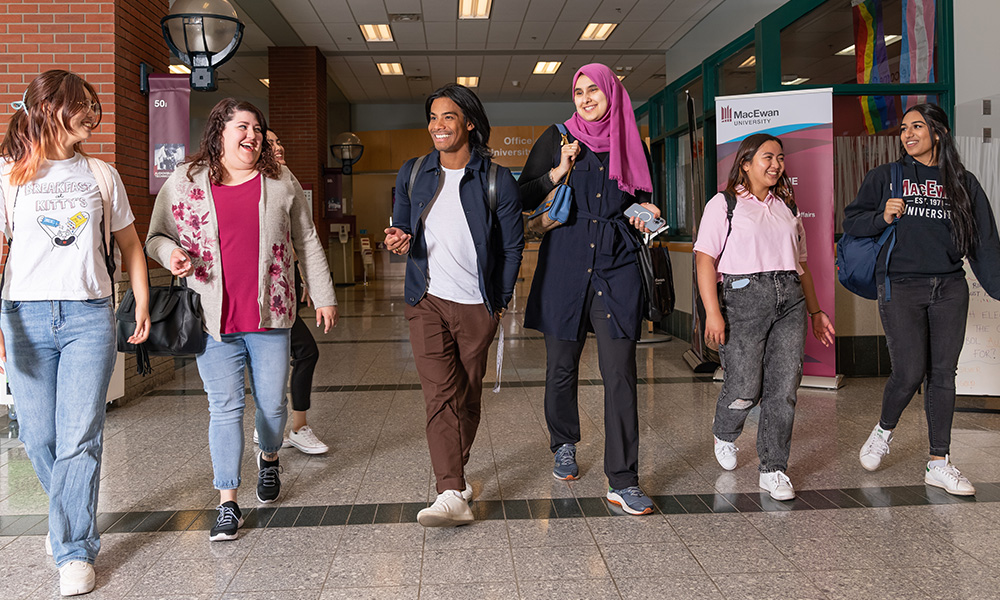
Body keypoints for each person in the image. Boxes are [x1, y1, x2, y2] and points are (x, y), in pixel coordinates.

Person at [146, 99, 338, 541]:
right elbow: (156, 235)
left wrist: (323, 294)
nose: (252, 134)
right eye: (243, 126)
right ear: (219, 133)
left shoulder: (279, 180)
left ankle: (269, 458)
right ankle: (227, 502)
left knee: (272, 405)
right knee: (225, 407)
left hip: (271, 314)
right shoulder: (185, 181)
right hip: (212, 319)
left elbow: (306, 239)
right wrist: (169, 253)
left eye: (257, 127)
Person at [0, 69, 150, 596]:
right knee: (38, 435)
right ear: (46, 108)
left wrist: (142, 300)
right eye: (79, 104)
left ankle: (74, 549)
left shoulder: (101, 175)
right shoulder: (8, 175)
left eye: (93, 104)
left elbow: (130, 245)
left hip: (88, 316)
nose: (91, 113)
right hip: (23, 315)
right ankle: (63, 514)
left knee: (80, 435)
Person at [519, 63, 659, 515]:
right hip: (565, 261)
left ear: (612, 93)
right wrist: (558, 173)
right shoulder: (559, 137)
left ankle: (623, 478)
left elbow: (642, 197)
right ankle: (564, 441)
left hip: (616, 264)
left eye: (593, 90)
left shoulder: (631, 140)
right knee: (562, 366)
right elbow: (521, 197)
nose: (584, 98)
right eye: (578, 91)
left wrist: (646, 209)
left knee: (620, 372)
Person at [384, 84, 523, 527]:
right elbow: (400, 230)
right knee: (439, 396)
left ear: (469, 123)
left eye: (448, 117)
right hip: (425, 299)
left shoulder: (497, 180)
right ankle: (449, 491)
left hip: (476, 305)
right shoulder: (413, 172)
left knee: (467, 395)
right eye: (432, 117)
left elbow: (513, 248)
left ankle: (455, 475)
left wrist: (496, 305)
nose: (437, 126)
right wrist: (397, 240)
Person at [845, 103, 1000, 496]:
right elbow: (852, 222)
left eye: (917, 126)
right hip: (901, 285)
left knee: (943, 374)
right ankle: (883, 430)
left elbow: (984, 243)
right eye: (903, 128)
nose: (908, 134)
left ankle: (939, 462)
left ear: (939, 133)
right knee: (909, 371)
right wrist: (882, 216)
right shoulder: (888, 177)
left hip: (950, 287)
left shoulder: (963, 182)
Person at [695, 133, 835, 501]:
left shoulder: (787, 207)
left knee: (784, 387)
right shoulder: (724, 204)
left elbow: (801, 265)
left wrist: (816, 312)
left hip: (789, 298)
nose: (776, 164)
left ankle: (773, 468)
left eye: (780, 158)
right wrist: (713, 312)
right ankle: (725, 431)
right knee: (744, 385)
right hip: (743, 299)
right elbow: (705, 260)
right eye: (767, 157)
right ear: (745, 163)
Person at [248, 129, 327, 455]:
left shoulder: (284, 179)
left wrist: (313, 284)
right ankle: (286, 425)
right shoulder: (244, 183)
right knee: (293, 353)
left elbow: (301, 235)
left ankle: (282, 424)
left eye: (279, 141)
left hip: (281, 293)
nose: (279, 147)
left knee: (296, 353)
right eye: (271, 144)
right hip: (254, 295)